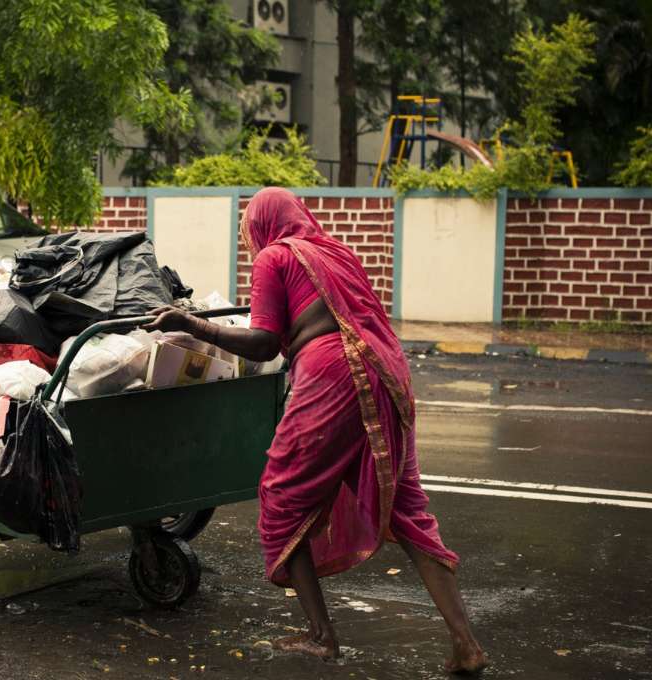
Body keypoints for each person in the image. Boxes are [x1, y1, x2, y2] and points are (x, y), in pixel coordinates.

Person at [143, 187, 488, 672]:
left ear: (261, 226)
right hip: (388, 372)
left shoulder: (274, 257)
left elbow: (264, 343)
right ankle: (466, 642)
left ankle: (321, 636)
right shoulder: (335, 251)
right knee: (407, 509)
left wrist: (195, 326)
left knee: (281, 494)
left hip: (333, 375)